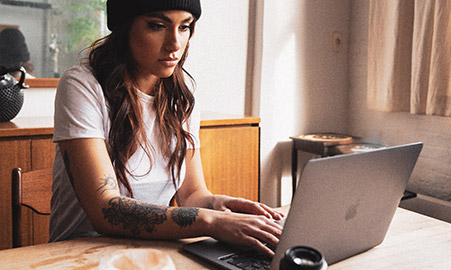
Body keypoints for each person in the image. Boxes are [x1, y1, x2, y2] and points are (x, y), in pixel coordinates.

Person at [49, 0, 284, 257]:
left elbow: (192, 194)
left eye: (184, 27)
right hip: (81, 255)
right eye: (157, 26)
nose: (175, 44)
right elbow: (106, 210)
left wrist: (221, 206)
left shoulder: (182, 96)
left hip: (152, 253)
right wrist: (212, 222)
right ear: (124, 28)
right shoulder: (82, 85)